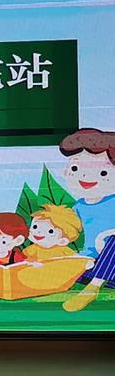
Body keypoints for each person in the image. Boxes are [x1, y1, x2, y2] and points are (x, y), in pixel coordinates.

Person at [59, 128, 115, 311]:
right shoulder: (79, 206)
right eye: (75, 168)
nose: (86, 176)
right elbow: (68, 231)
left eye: (103, 172)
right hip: (89, 264)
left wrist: (105, 237)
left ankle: (92, 289)